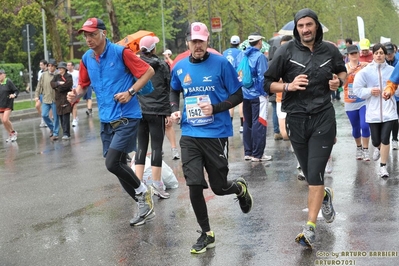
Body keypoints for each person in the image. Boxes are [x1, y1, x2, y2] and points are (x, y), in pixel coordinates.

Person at [264, 8, 346, 248]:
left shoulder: (329, 49)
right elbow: (266, 84)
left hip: (323, 117)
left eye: (309, 25)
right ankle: (325, 195)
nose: (305, 29)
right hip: (297, 119)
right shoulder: (285, 51)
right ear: (296, 28)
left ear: (316, 26)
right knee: (310, 175)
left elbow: (343, 71)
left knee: (316, 173)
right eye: (301, 26)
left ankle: (310, 227)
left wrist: (338, 81)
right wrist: (288, 86)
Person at [169, 22, 252, 254]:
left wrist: (215, 108)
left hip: (215, 133)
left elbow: (237, 95)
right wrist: (174, 108)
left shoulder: (222, 64)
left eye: (201, 41)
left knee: (218, 187)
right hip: (190, 133)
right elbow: (173, 89)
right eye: (194, 41)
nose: (197, 45)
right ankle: (207, 233)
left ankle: (239, 189)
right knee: (194, 184)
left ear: (207, 42)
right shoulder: (179, 66)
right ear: (188, 42)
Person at [67, 17, 155, 226]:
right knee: (118, 167)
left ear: (103, 34)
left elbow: (148, 71)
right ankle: (144, 206)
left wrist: (130, 92)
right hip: (106, 119)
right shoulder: (87, 58)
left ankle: (143, 193)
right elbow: (83, 85)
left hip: (127, 115)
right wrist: (75, 95)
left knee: (112, 163)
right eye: (86, 35)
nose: (88, 39)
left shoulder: (120, 52)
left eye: (92, 34)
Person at [134, 35, 171, 200]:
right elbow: (167, 87)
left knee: (141, 146)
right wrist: (168, 112)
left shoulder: (135, 64)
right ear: (153, 49)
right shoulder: (162, 65)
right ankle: (157, 184)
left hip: (139, 110)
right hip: (157, 110)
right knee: (157, 147)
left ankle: (138, 184)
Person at [355, 44, 396, 178]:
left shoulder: (392, 70)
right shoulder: (365, 71)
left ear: (385, 55)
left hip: (389, 110)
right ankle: (378, 148)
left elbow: (398, 88)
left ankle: (383, 167)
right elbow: (357, 90)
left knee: (385, 138)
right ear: (373, 55)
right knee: (376, 141)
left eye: (381, 53)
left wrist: (391, 91)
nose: (379, 55)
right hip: (373, 111)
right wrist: (369, 91)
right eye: (376, 53)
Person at [236, 32, 271, 162]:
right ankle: (258, 154)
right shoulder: (260, 56)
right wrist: (265, 93)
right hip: (258, 94)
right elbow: (263, 77)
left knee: (247, 122)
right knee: (260, 122)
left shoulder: (241, 55)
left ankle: (248, 152)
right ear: (260, 42)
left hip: (245, 94)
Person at [343, 45, 370, 160]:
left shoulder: (364, 66)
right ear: (348, 56)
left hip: (363, 100)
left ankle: (366, 150)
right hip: (350, 101)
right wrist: (348, 73)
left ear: (359, 54)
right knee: (356, 127)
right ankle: (359, 147)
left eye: (356, 53)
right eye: (351, 54)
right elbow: (340, 85)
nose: (354, 56)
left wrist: (368, 65)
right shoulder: (344, 68)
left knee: (365, 125)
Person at [223, 35, 244, 133]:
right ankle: (242, 126)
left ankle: (230, 124)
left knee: (230, 102)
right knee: (240, 102)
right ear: (239, 43)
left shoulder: (224, 53)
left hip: (226, 79)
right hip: (236, 78)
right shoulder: (241, 53)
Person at [35, 59, 60, 140]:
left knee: (55, 117)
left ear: (55, 67)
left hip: (55, 99)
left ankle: (55, 133)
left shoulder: (58, 75)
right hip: (46, 98)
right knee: (44, 115)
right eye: (49, 66)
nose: (50, 67)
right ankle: (52, 128)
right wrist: (36, 95)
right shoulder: (44, 75)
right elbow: (39, 86)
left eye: (52, 66)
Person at [50, 62, 73, 140]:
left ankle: (67, 133)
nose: (59, 69)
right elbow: (52, 84)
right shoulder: (56, 76)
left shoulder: (69, 76)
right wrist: (58, 83)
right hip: (58, 99)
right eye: (58, 68)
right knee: (61, 116)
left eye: (61, 68)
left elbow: (68, 85)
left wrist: (58, 87)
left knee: (66, 115)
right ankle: (64, 132)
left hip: (66, 98)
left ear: (64, 69)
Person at [384, 42, 399, 149]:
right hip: (386, 95)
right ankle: (385, 140)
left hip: (397, 96)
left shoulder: (397, 62)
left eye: (391, 53)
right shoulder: (380, 63)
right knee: (389, 118)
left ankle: (394, 138)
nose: (389, 55)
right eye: (387, 53)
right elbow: (392, 82)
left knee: (396, 117)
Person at [0, 69, 19, 142]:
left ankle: (13, 132)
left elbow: (16, 91)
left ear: (4, 75)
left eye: (1, 74)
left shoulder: (8, 81)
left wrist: (13, 95)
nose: (0, 76)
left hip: (8, 103)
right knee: (3, 121)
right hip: (1, 104)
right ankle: (11, 134)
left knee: (5, 119)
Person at [66, 62, 80, 127]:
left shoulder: (77, 73)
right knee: (71, 106)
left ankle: (74, 120)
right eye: (67, 65)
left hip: (76, 91)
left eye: (69, 65)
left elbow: (81, 80)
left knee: (74, 105)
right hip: (69, 91)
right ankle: (75, 116)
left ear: (72, 66)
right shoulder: (66, 74)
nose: (68, 66)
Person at [37, 60, 48, 128]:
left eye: (41, 65)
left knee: (47, 106)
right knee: (37, 105)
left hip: (48, 92)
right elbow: (39, 83)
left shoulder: (49, 72)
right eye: (40, 65)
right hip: (41, 92)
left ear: (45, 65)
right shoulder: (39, 72)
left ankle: (47, 120)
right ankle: (43, 118)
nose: (40, 66)